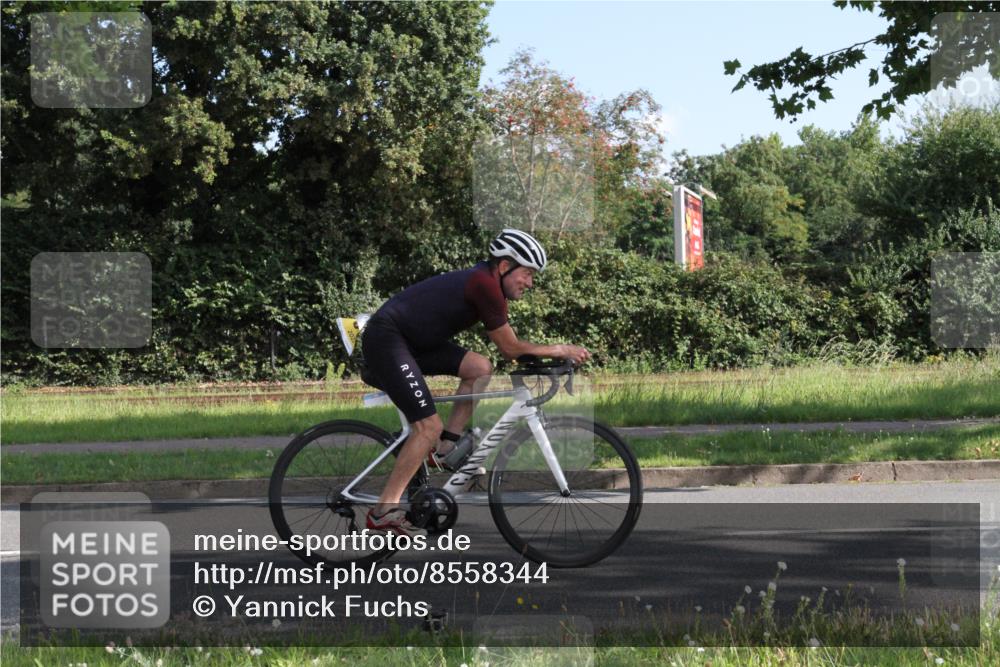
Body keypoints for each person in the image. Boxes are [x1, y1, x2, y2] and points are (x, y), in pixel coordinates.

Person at [359, 228, 591, 536]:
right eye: (527, 273)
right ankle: (383, 512)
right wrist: (561, 350)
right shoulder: (484, 284)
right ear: (505, 265)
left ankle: (444, 448)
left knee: (480, 367)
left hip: (413, 342)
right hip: (387, 339)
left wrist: (545, 360)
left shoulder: (487, 284)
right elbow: (511, 347)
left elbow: (511, 352)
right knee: (426, 426)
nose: (530, 282)